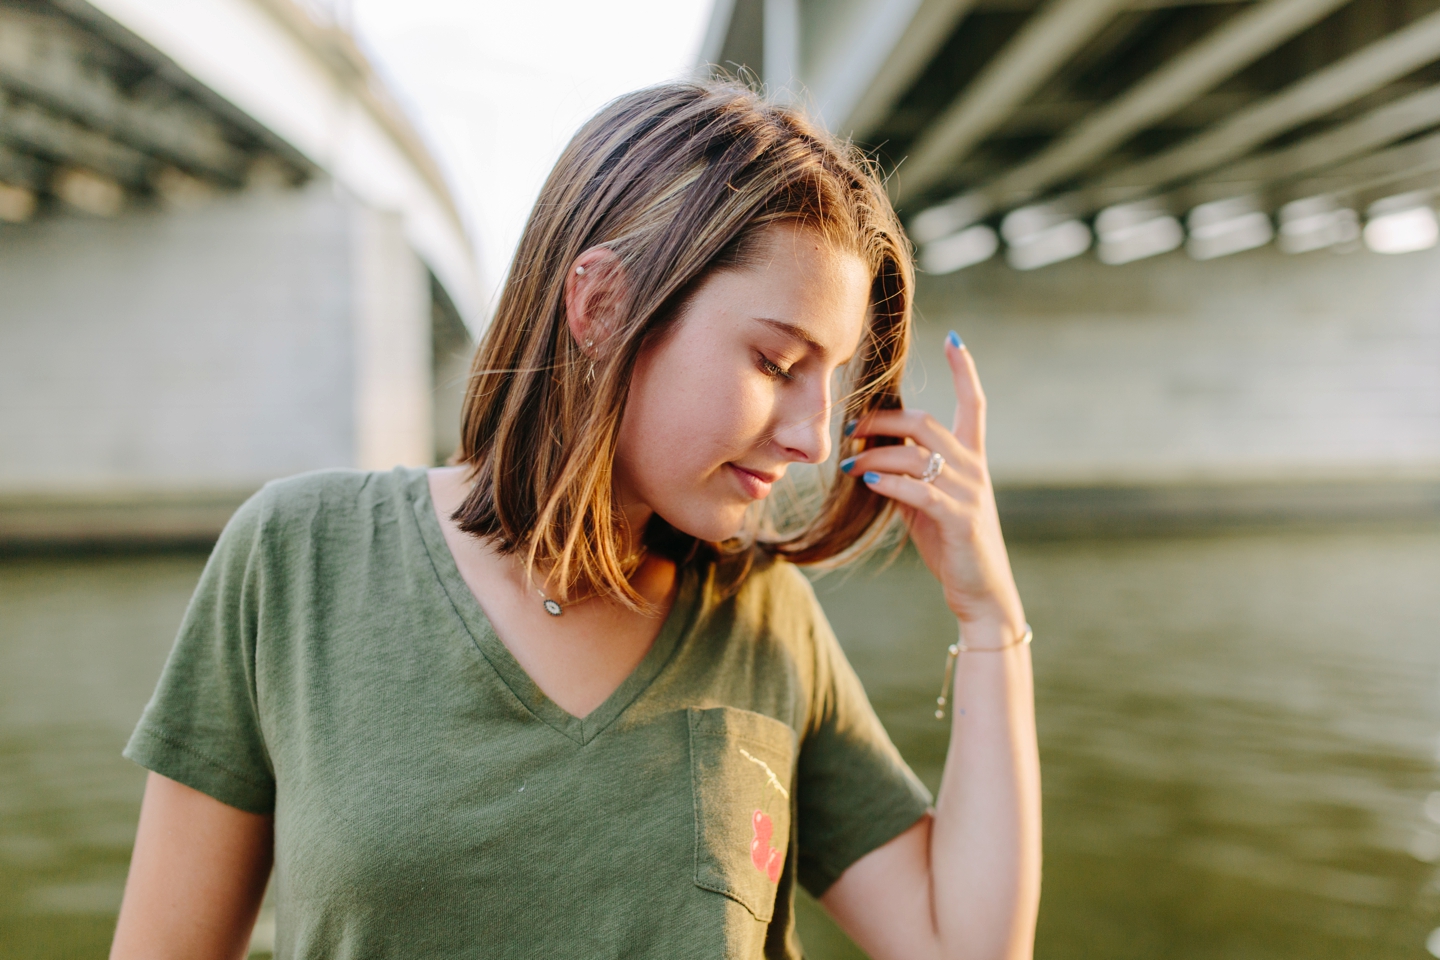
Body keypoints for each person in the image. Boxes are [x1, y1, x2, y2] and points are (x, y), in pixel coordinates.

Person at [109, 80, 1040, 960]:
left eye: (830, 382)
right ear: (601, 303)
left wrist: (992, 620)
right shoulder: (298, 559)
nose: (811, 435)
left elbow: (961, 944)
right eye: (775, 362)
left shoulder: (764, 621)